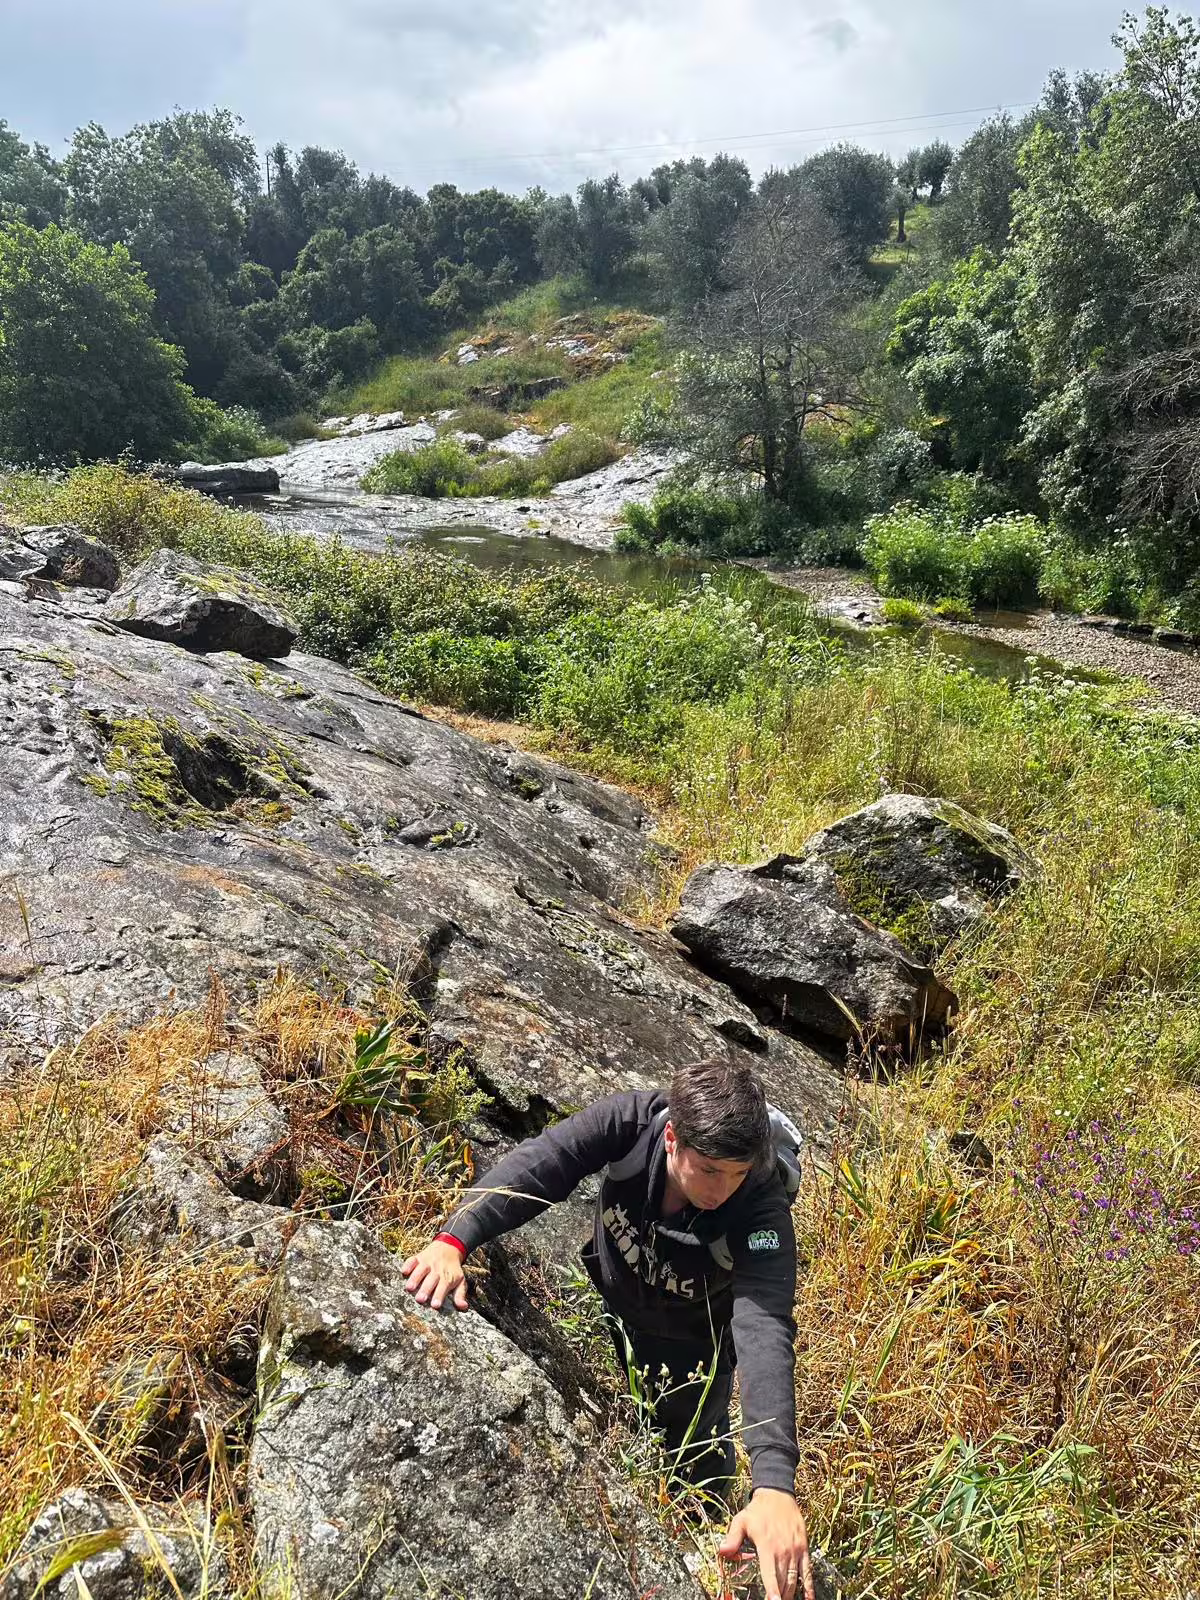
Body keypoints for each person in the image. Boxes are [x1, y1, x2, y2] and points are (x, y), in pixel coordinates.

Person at [401, 1056, 814, 1600]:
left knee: (693, 1452)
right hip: (609, 1300)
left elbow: (764, 1328)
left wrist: (775, 1487)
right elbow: (546, 1162)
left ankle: (713, 1530)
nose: (722, 1190)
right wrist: (456, 1237)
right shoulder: (630, 1122)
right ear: (672, 1139)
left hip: (690, 1346)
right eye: (710, 1170)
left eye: (736, 1174)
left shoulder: (760, 1209)